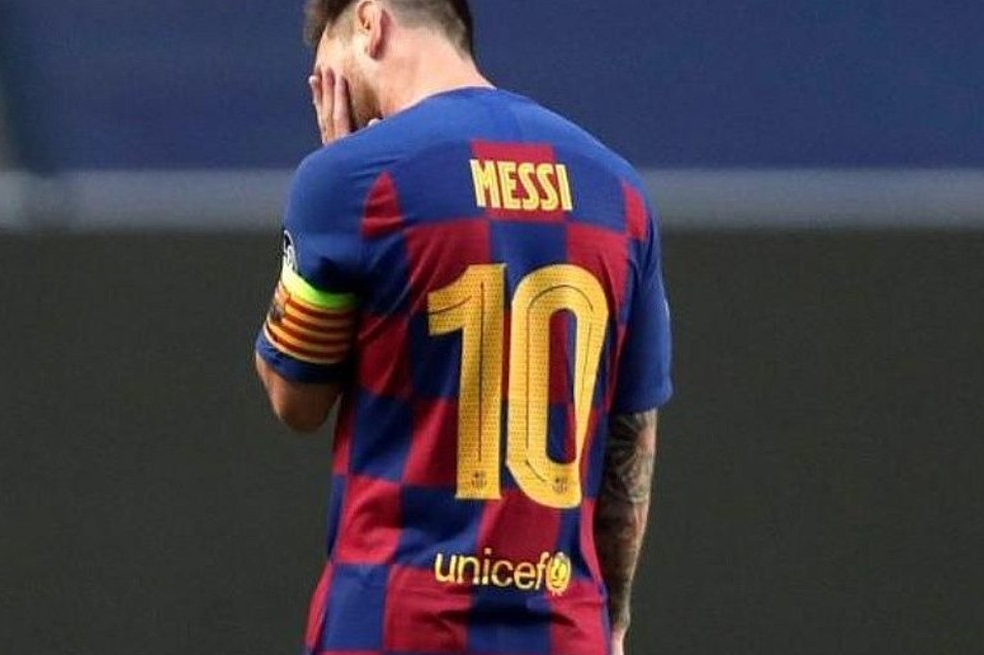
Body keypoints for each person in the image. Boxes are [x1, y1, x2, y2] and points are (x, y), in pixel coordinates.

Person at [253, 1, 673, 653]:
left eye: (325, 68)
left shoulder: (351, 180)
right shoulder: (618, 191)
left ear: (369, 22)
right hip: (562, 628)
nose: (325, 92)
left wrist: (331, 200)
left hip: (394, 623)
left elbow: (294, 398)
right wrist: (612, 622)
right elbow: (631, 429)